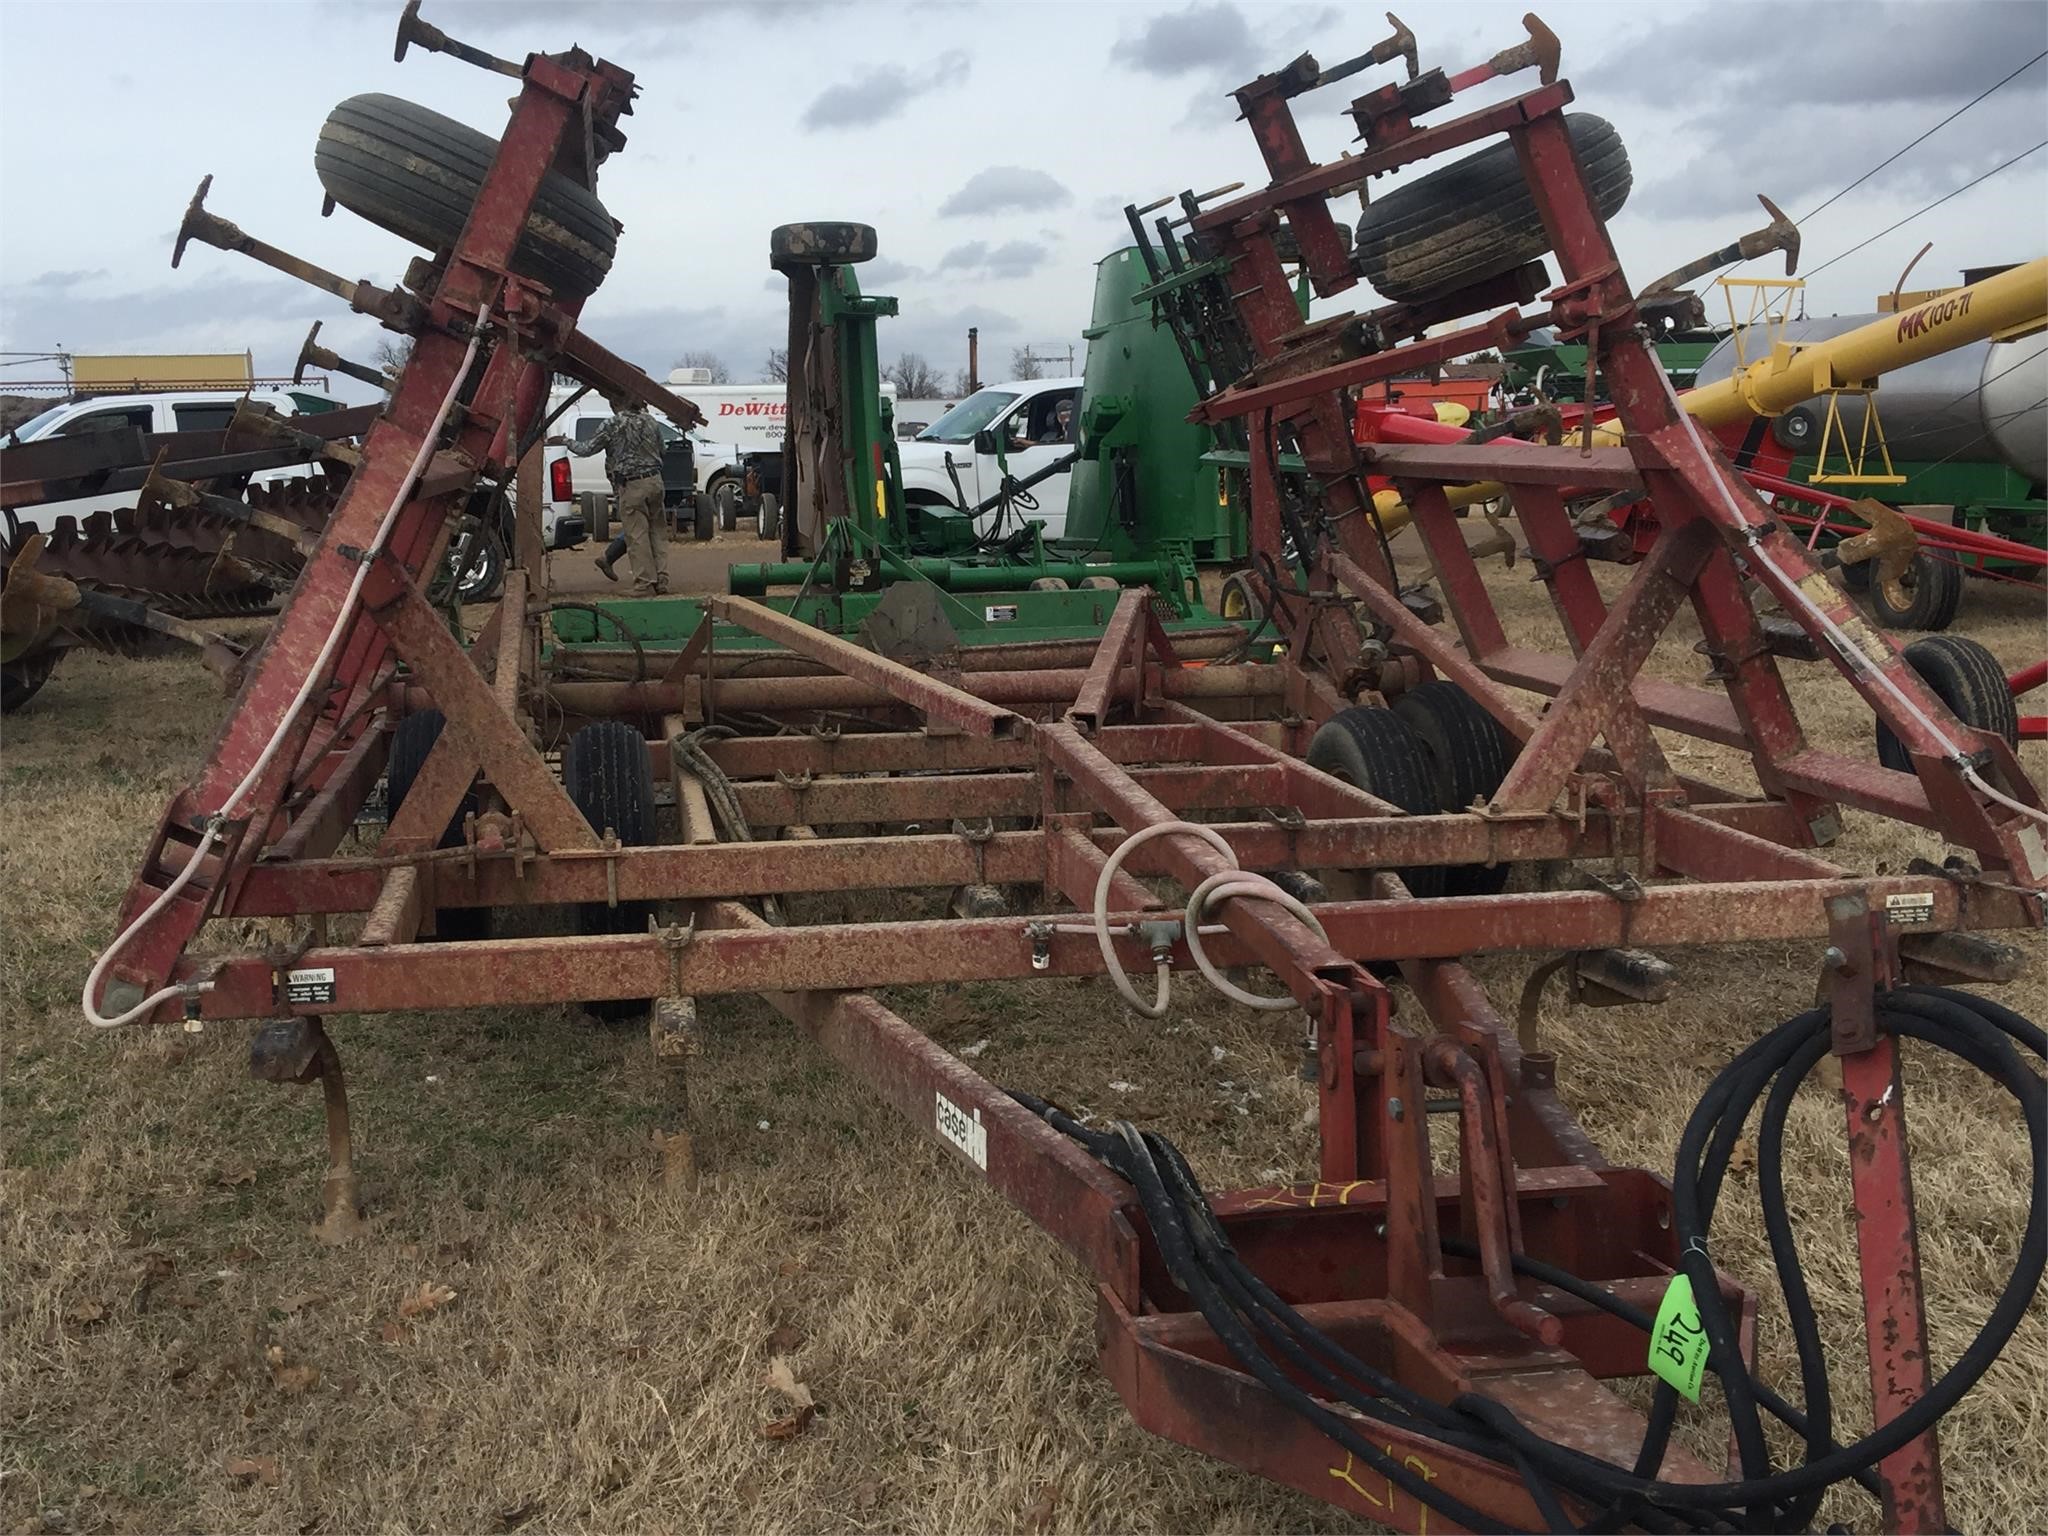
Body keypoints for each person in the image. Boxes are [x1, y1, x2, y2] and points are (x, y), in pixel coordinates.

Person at [550, 396, 669, 594]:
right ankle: (662, 581)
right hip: (655, 481)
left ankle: (644, 583)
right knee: (657, 532)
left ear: (616, 403)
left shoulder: (612, 424)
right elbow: (662, 451)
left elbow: (586, 449)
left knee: (637, 535)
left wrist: (565, 441)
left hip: (632, 484)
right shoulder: (651, 421)